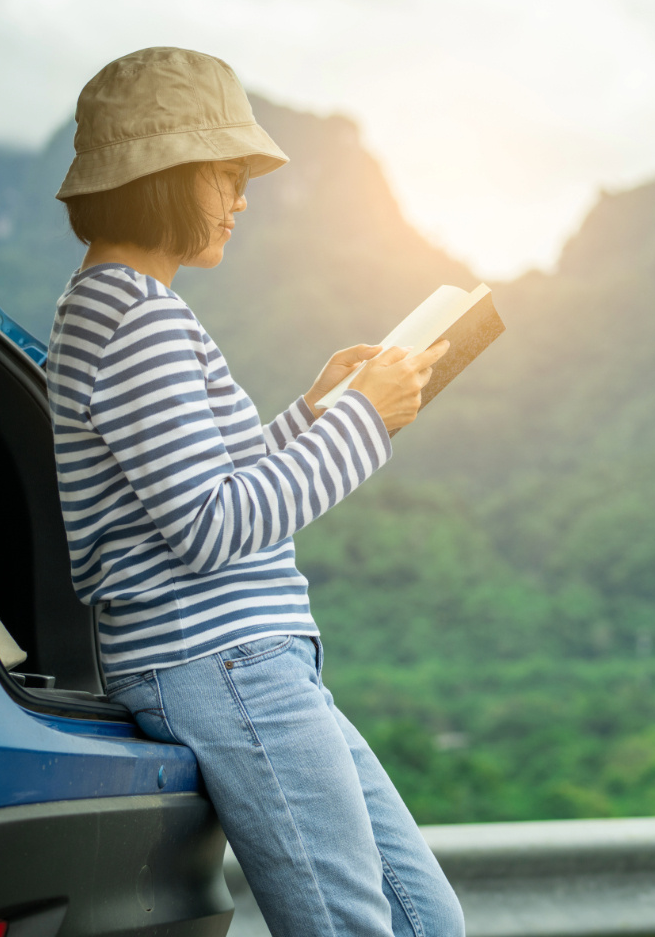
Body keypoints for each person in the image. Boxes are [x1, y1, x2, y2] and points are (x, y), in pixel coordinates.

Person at [46, 46, 465, 937]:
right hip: (224, 661)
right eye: (227, 176)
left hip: (249, 662)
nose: (241, 200)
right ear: (165, 176)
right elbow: (213, 527)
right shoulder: (137, 319)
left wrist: (316, 413)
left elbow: (196, 490)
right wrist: (367, 422)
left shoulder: (116, 308)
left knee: (424, 918)